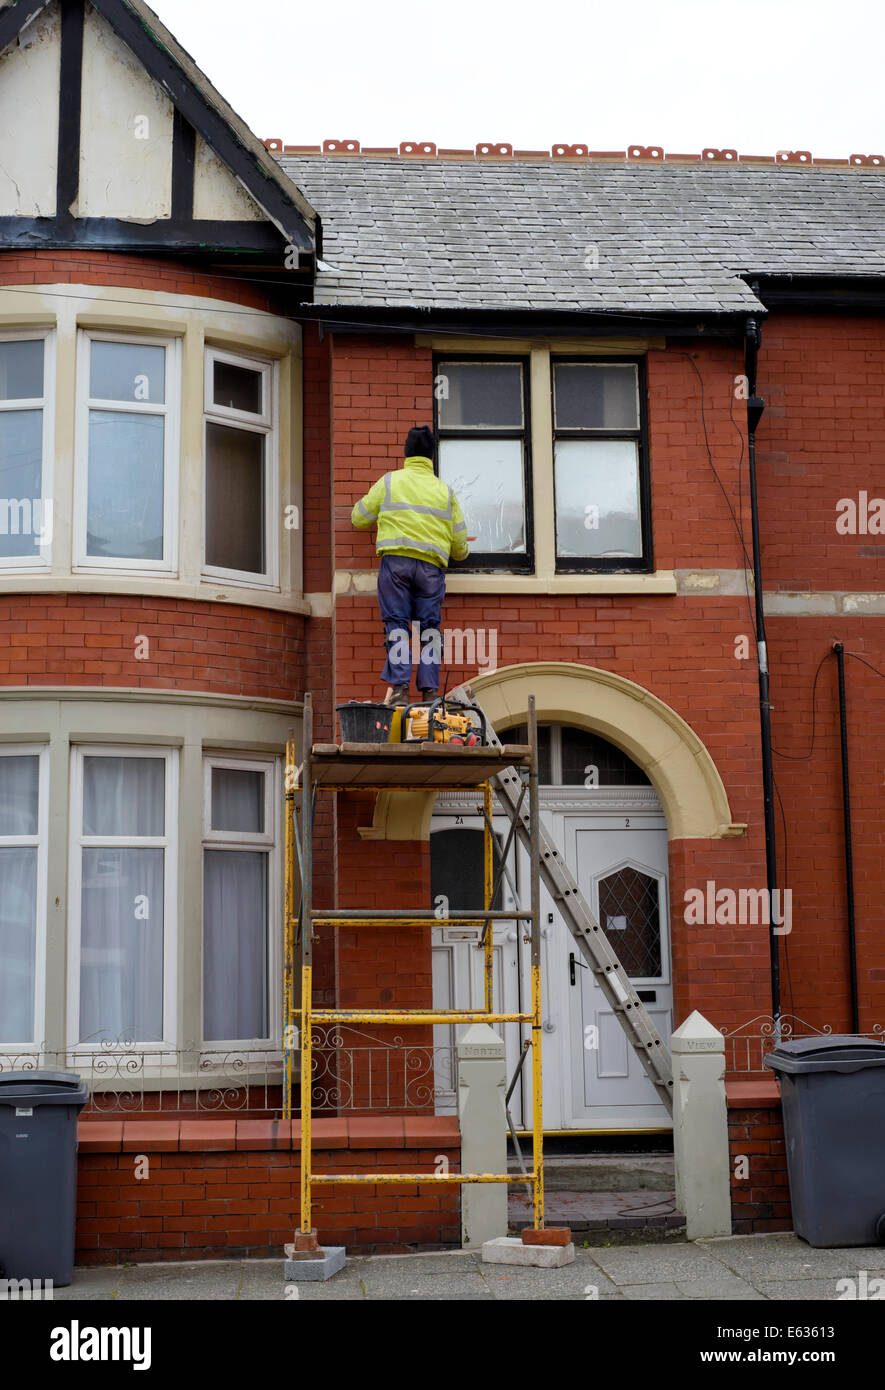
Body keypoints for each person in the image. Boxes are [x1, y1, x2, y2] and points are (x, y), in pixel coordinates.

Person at [351, 425, 470, 703]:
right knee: (429, 629)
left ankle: (401, 689)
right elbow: (460, 548)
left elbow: (359, 518)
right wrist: (462, 548)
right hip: (431, 570)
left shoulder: (390, 482)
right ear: (431, 457)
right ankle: (429, 692)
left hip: (397, 566)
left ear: (407, 454)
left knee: (397, 625)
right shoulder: (446, 492)